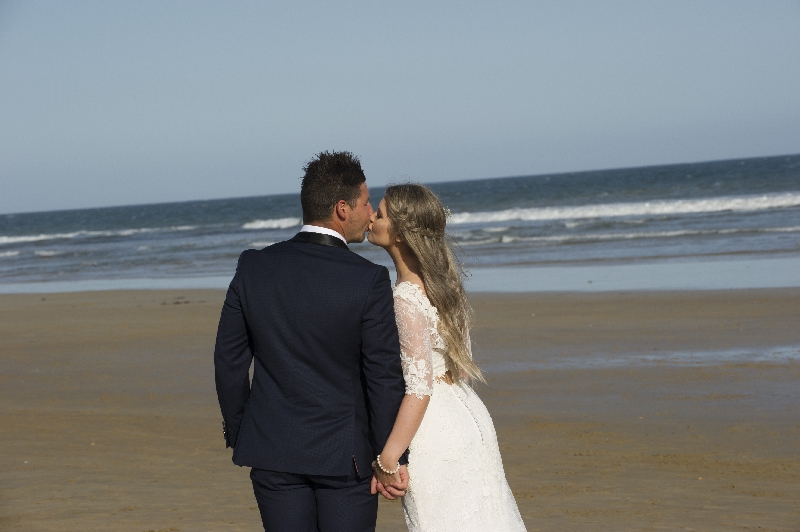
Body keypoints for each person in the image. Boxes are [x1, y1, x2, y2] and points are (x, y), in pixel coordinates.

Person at [213, 151, 409, 532]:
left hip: (272, 450)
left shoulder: (253, 267)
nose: (371, 213)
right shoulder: (368, 280)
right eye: (366, 202)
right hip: (347, 460)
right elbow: (383, 377)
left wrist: (243, 433)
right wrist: (392, 459)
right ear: (342, 208)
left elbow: (229, 362)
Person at [367, 183, 527, 531]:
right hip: (469, 415)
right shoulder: (447, 287)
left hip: (432, 430)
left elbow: (419, 388)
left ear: (399, 233)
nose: (371, 218)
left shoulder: (405, 299)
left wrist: (388, 458)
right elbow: (462, 369)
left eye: (379, 213)